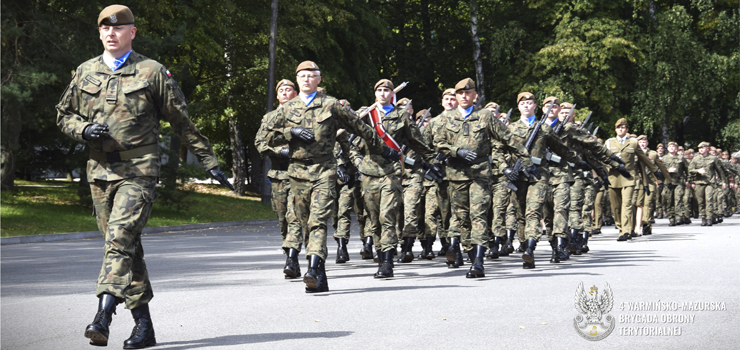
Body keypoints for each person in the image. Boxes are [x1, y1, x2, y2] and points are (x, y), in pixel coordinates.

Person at [56, 5, 232, 348]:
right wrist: (84, 129)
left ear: (132, 32)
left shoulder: (152, 72)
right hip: (100, 172)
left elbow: (181, 121)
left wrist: (209, 159)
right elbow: (64, 115)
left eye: (119, 28)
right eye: (105, 28)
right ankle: (144, 327)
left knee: (119, 239)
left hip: (139, 171)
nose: (111, 33)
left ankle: (102, 316)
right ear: (100, 32)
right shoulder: (86, 71)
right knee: (125, 249)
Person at [265, 62, 398, 292]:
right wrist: (290, 132)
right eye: (302, 76)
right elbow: (265, 137)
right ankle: (320, 272)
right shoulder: (286, 109)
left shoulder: (331, 105)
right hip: (297, 172)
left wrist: (382, 148)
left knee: (318, 220)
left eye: (311, 76)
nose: (306, 79)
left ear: (319, 79)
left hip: (324, 169)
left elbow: (360, 126)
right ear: (297, 80)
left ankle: (313, 269)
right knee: (306, 223)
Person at [433, 79, 532, 276]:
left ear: (474, 95)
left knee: (478, 215)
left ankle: (478, 262)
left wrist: (526, 159)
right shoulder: (445, 118)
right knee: (462, 219)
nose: (463, 96)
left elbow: (507, 137)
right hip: (456, 174)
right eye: (460, 93)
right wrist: (456, 151)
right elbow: (437, 142)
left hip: (480, 173)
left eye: (467, 93)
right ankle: (471, 253)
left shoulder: (485, 116)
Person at [255, 79, 305, 278]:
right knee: (283, 218)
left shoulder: (304, 115)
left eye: (289, 89)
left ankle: (292, 258)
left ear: (295, 93)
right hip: (278, 174)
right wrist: (278, 151)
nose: (285, 92)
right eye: (281, 90)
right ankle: (290, 253)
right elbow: (259, 142)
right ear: (277, 95)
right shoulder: (269, 117)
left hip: (300, 173)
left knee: (295, 216)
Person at [603, 119, 660, 241]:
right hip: (614, 177)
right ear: (615, 129)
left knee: (627, 204)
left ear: (627, 129)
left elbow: (643, 158)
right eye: (618, 127)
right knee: (616, 206)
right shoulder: (609, 143)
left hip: (629, 178)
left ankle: (626, 231)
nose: (621, 129)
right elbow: (603, 159)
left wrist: (655, 170)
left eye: (623, 127)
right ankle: (620, 226)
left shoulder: (633, 143)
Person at [689, 142, 727, 226]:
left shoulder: (713, 158)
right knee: (701, 201)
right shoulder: (695, 159)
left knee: (709, 199)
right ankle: (703, 218)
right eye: (699, 148)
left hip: (710, 183)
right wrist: (697, 171)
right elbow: (690, 170)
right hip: (699, 182)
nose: (701, 150)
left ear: (707, 148)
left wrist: (723, 182)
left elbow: (720, 171)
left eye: (703, 148)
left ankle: (709, 218)